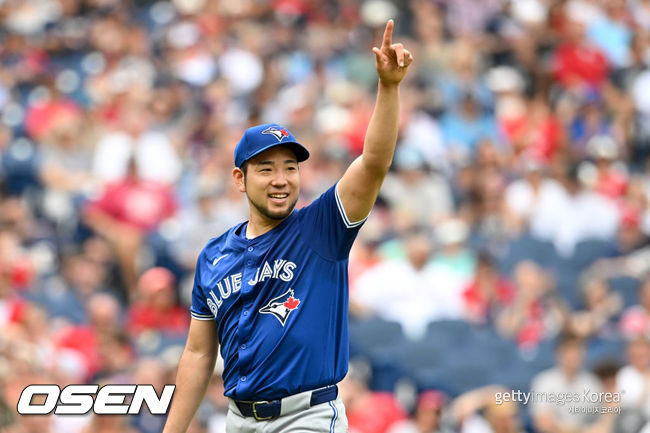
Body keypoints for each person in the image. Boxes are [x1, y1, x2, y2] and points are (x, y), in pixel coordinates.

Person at [162, 19, 413, 433]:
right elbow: (197, 355)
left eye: (290, 167)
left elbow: (373, 164)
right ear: (240, 179)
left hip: (306, 417)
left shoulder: (321, 229)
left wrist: (388, 88)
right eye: (266, 168)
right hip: (239, 421)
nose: (281, 178)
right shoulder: (213, 255)